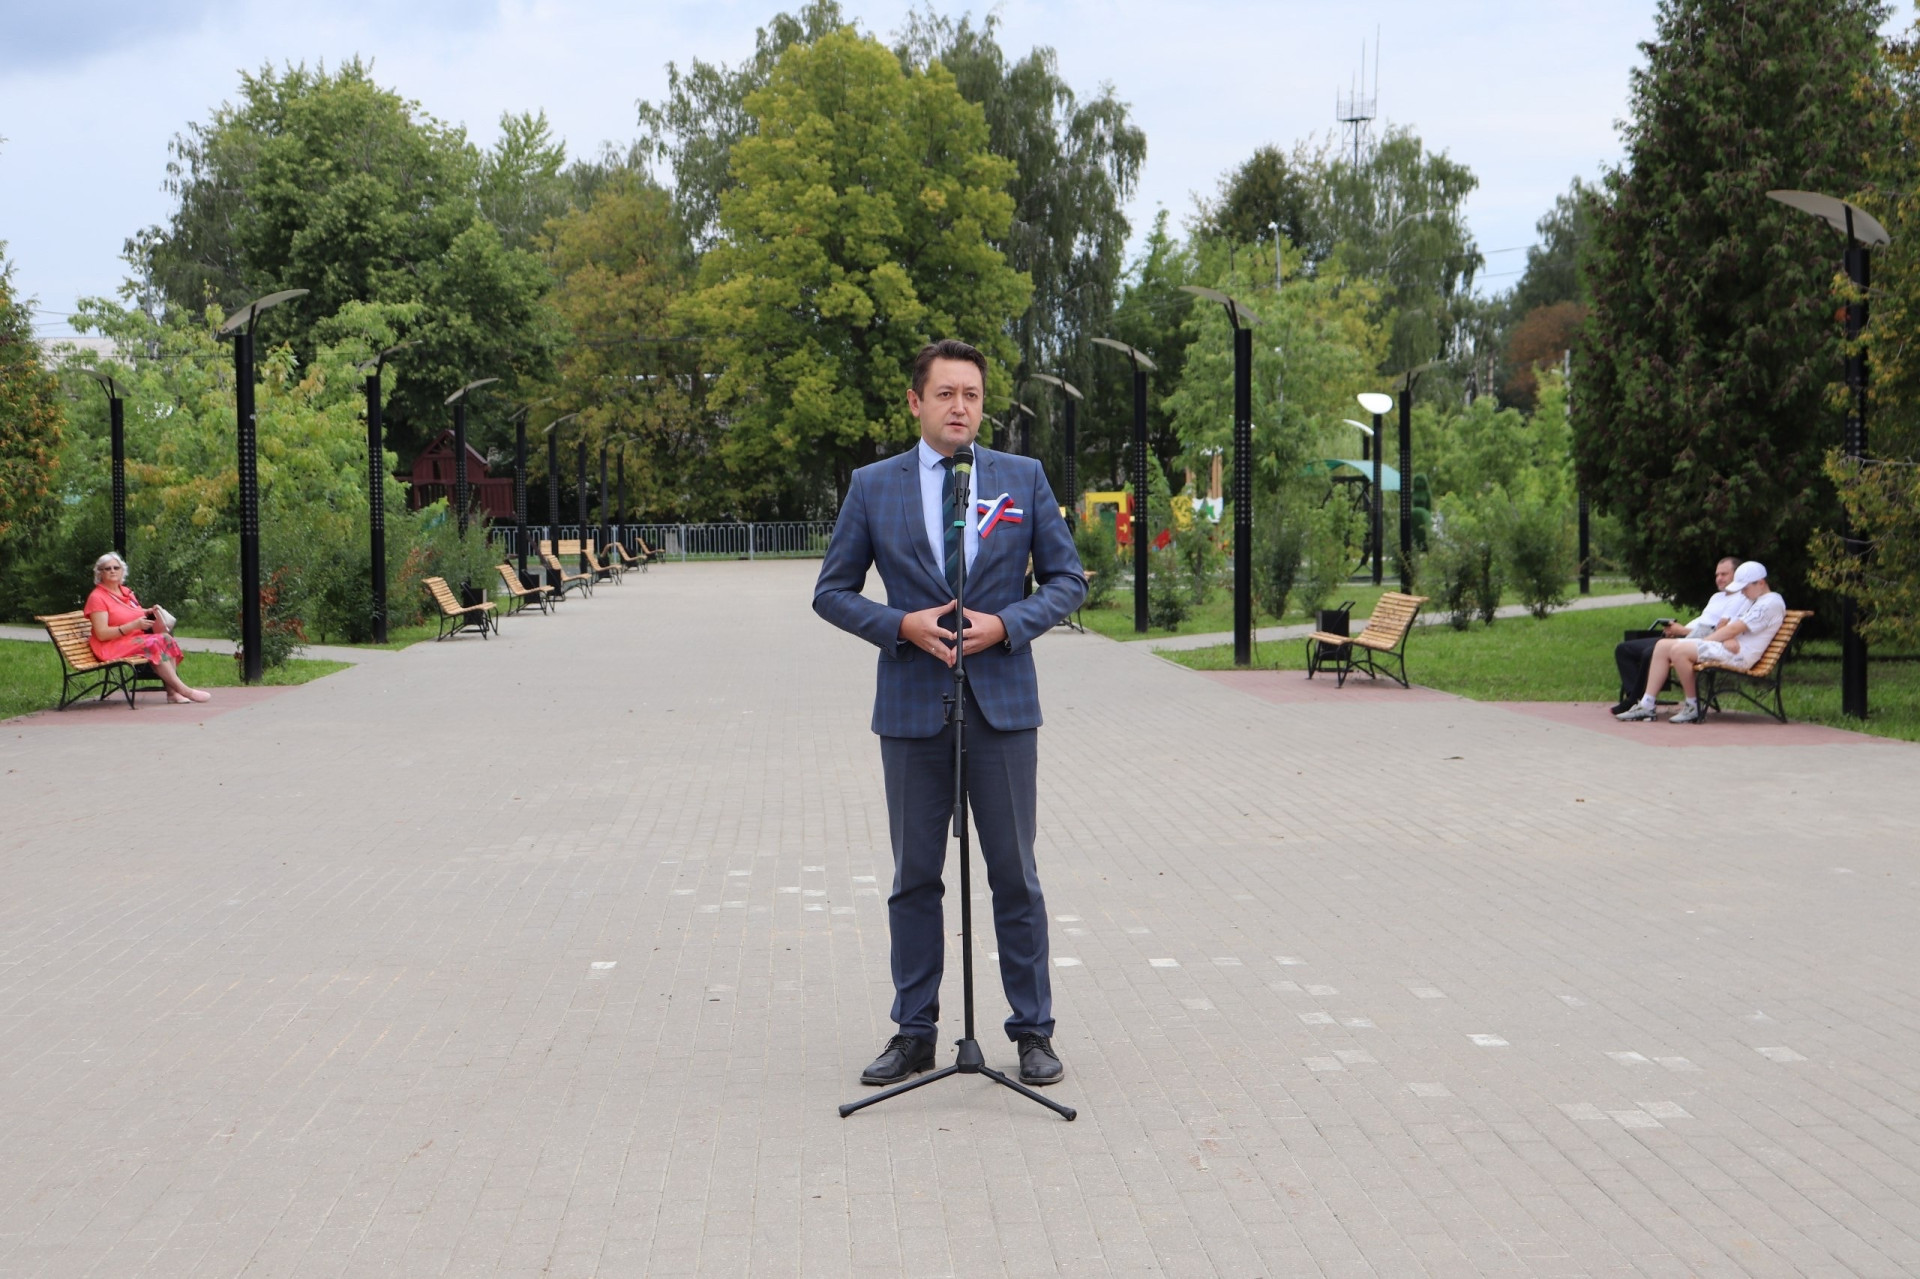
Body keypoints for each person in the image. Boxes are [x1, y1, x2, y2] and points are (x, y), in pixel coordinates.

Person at [813, 339, 1086, 1088]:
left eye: (971, 394)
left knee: (1016, 877)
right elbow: (831, 591)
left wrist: (1009, 624)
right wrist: (899, 624)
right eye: (945, 394)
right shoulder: (874, 486)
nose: (960, 406)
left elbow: (1067, 580)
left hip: (1003, 709)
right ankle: (915, 1031)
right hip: (911, 709)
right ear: (916, 402)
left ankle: (1032, 1031)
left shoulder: (1022, 478)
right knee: (914, 878)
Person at [1617, 560, 1784, 724]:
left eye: (1745, 588)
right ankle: (1647, 704)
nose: (1743, 592)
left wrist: (1705, 641)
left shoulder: (1770, 603)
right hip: (1726, 646)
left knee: (1679, 650)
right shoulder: (1753, 599)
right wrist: (1726, 636)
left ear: (1761, 583)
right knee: (1662, 646)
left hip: (1740, 654)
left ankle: (1692, 706)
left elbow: (1733, 628)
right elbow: (1726, 625)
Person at [1608, 556, 1742, 714]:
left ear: (1737, 575)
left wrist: (1683, 631)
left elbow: (1717, 632)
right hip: (1684, 636)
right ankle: (1635, 697)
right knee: (1624, 650)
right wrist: (1678, 630)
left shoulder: (1739, 599)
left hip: (1697, 643)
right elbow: (1702, 623)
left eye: (1724, 574)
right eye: (1717, 575)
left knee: (1649, 653)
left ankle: (1635, 701)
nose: (1719, 578)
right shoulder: (1717, 597)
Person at [84, 552, 211, 704]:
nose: (112, 571)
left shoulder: (126, 592)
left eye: (116, 568)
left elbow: (131, 612)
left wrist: (149, 612)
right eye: (107, 568)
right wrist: (133, 626)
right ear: (100, 573)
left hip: (131, 640)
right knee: (153, 643)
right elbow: (102, 634)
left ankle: (172, 693)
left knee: (166, 639)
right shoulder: (97, 597)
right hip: (110, 645)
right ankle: (184, 690)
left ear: (122, 571)